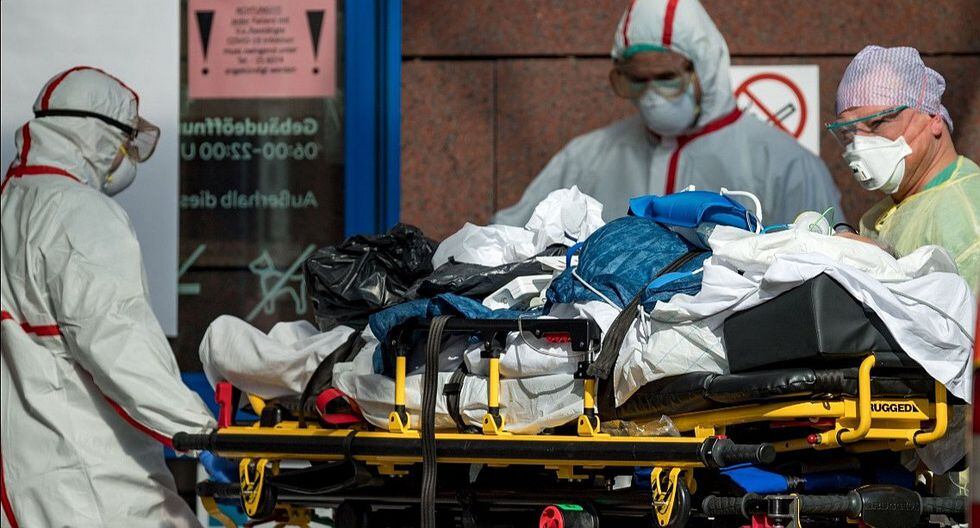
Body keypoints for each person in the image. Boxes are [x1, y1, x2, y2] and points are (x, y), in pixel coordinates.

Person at [1, 67, 220, 527]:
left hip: (25, 480)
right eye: (125, 144)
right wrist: (204, 436)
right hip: (93, 482)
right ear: (97, 136)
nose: (126, 158)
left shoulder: (9, 204)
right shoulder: (82, 213)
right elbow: (118, 345)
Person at [493, 0, 841, 227]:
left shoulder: (785, 166)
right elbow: (509, 240)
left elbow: (824, 275)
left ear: (704, 68)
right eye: (636, 80)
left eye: (667, 78)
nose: (652, 96)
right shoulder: (586, 158)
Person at [827, 46, 979, 293]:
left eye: (878, 122)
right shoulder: (884, 214)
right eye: (848, 132)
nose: (860, 145)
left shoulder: (967, 213)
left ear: (934, 118)